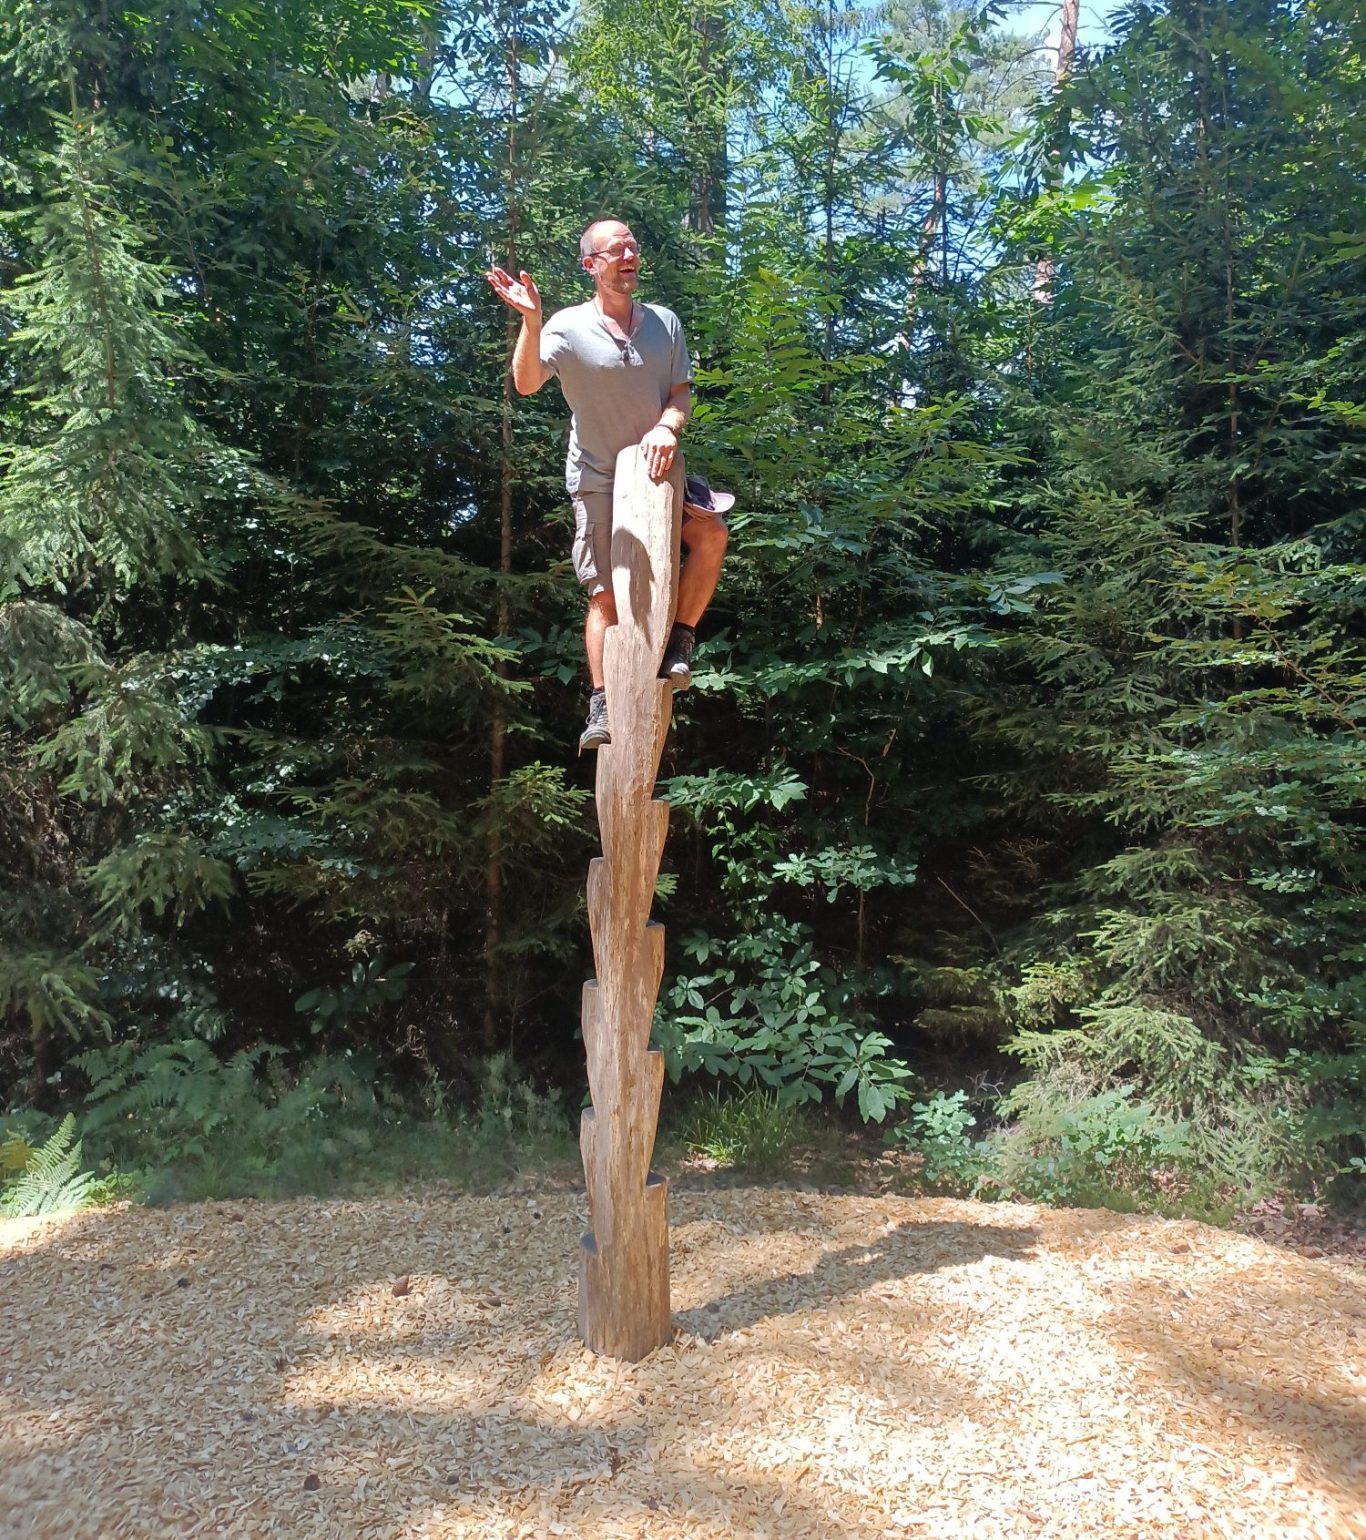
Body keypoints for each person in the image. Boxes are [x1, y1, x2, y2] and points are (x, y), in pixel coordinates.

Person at [486, 218, 731, 751]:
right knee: (605, 596)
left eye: (633, 246)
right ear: (590, 265)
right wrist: (531, 322)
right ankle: (601, 704)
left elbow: (681, 394)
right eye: (615, 248)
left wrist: (668, 426)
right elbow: (526, 384)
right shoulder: (568, 327)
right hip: (597, 476)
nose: (628, 254)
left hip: (660, 475)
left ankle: (682, 641)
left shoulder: (665, 323)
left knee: (711, 537)